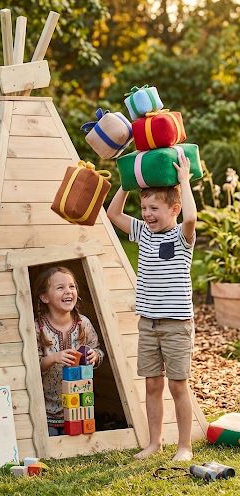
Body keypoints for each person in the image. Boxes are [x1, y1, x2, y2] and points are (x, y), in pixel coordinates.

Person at [106, 152, 197, 461]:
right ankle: (154, 442)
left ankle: (184, 446)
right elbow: (113, 213)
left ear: (174, 209)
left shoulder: (182, 236)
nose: (147, 214)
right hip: (148, 323)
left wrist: (184, 181)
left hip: (176, 325)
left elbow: (192, 219)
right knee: (153, 384)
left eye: (154, 208)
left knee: (178, 386)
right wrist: (127, 183)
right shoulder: (143, 232)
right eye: (144, 208)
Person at [33, 266, 104, 436]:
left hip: (79, 407)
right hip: (47, 412)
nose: (68, 291)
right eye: (60, 287)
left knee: (79, 438)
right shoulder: (38, 327)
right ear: (44, 297)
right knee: (51, 439)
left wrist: (94, 356)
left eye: (72, 286)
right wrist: (54, 358)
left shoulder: (83, 324)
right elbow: (33, 366)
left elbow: (98, 351)